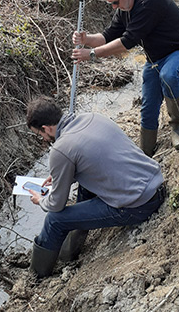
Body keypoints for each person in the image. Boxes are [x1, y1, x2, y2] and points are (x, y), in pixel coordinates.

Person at [25, 95, 165, 277]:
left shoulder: (60, 149)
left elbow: (56, 205)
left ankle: (37, 274)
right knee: (85, 186)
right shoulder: (92, 118)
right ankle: (68, 253)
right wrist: (63, 174)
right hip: (154, 184)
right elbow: (94, 160)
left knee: (54, 220)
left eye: (40, 135)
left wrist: (41, 200)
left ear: (46, 128)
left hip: (137, 206)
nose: (43, 139)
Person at [71, 0, 179, 156]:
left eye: (115, 2)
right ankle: (146, 151)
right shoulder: (124, 9)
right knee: (148, 107)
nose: (115, 7)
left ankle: (177, 127)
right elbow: (107, 36)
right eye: (111, 4)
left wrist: (91, 54)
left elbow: (127, 42)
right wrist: (87, 39)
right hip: (155, 60)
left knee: (168, 76)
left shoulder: (149, 2)